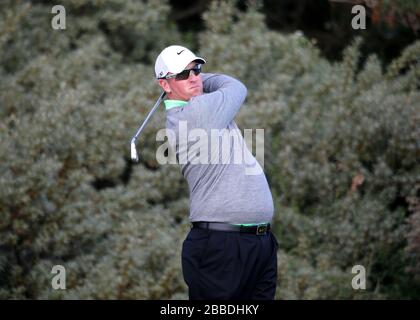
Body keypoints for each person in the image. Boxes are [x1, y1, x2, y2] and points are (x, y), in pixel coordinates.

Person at [155, 45, 278, 300]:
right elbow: (236, 87)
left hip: (257, 243)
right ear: (164, 85)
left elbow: (214, 86)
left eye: (197, 70)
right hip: (221, 246)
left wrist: (188, 81)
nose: (194, 78)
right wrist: (202, 81)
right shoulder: (196, 113)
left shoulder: (202, 105)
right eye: (183, 75)